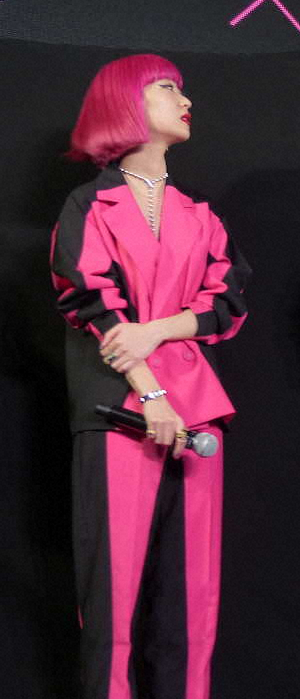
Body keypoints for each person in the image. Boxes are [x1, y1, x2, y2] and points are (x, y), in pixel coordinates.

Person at [50, 54, 250, 699]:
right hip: (120, 409)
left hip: (197, 410)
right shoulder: (90, 203)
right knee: (112, 593)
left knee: (195, 595)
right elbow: (89, 300)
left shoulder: (200, 212)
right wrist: (151, 391)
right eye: (168, 87)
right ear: (126, 102)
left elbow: (228, 301)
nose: (185, 99)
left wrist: (159, 330)